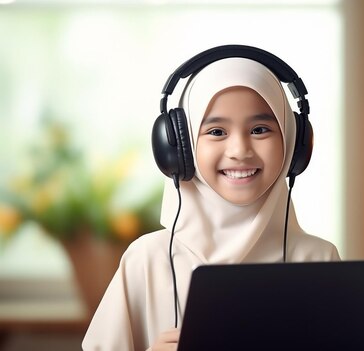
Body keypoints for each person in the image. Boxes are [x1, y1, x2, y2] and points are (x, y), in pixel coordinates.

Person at [82, 53, 340, 351]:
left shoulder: (318, 260)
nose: (239, 150)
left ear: (293, 142)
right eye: (217, 131)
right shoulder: (147, 260)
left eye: (260, 130)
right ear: (182, 148)